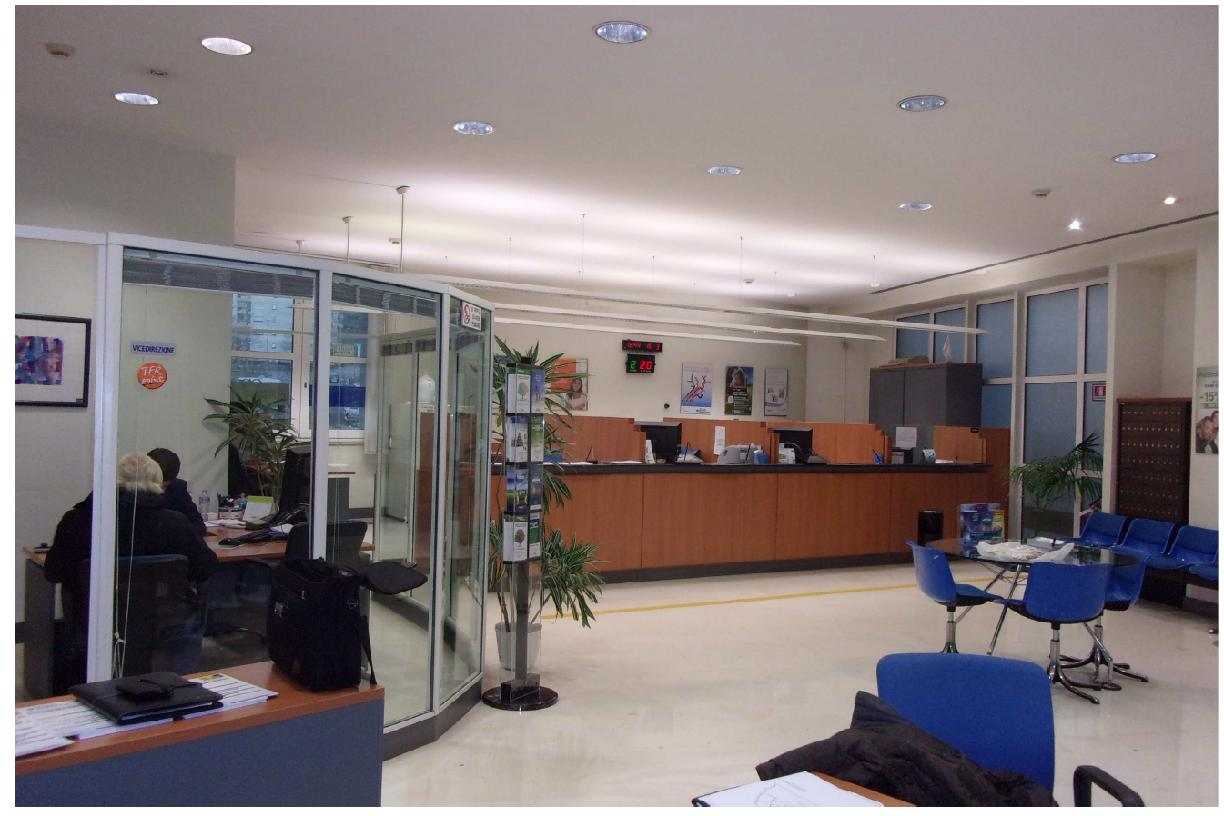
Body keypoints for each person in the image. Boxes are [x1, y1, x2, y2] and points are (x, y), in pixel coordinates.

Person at [45, 453, 219, 685]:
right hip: (165, 621)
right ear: (159, 483)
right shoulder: (175, 523)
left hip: (98, 620)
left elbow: (53, 572)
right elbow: (205, 568)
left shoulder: (78, 520)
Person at [146, 447, 208, 536]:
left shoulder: (178, 488)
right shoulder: (134, 492)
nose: (160, 490)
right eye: (156, 484)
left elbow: (199, 526)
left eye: (164, 486)